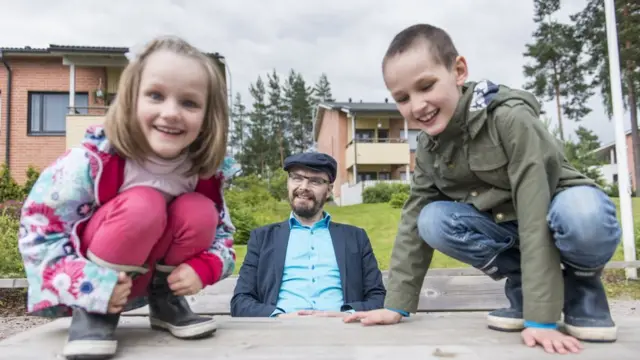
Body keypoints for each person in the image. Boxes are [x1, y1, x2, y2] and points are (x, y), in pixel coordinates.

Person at [343, 23, 622, 355]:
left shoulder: (508, 118)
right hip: (507, 228)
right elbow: (412, 222)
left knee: (582, 213)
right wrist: (396, 304)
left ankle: (583, 287)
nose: (417, 106)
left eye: (426, 86)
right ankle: (521, 284)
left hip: (554, 210)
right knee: (431, 220)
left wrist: (541, 320)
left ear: (459, 71)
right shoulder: (430, 150)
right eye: (402, 98)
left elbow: (534, 209)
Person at [18, 35, 239, 360]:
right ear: (131, 100)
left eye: (189, 103)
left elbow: (224, 236)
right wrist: (89, 285)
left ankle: (166, 303)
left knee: (200, 210)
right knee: (143, 205)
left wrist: (204, 267)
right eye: (155, 96)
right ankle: (95, 314)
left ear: (209, 117)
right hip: (94, 280)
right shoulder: (93, 161)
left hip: (153, 277)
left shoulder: (203, 174)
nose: (171, 112)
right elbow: (38, 232)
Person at [230, 152, 386, 317]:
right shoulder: (262, 238)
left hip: (342, 329)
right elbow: (240, 302)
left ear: (329, 190)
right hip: (279, 331)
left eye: (315, 181)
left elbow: (377, 297)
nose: (303, 187)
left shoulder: (355, 238)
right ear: (288, 183)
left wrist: (346, 314)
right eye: (297, 178)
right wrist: (279, 316)